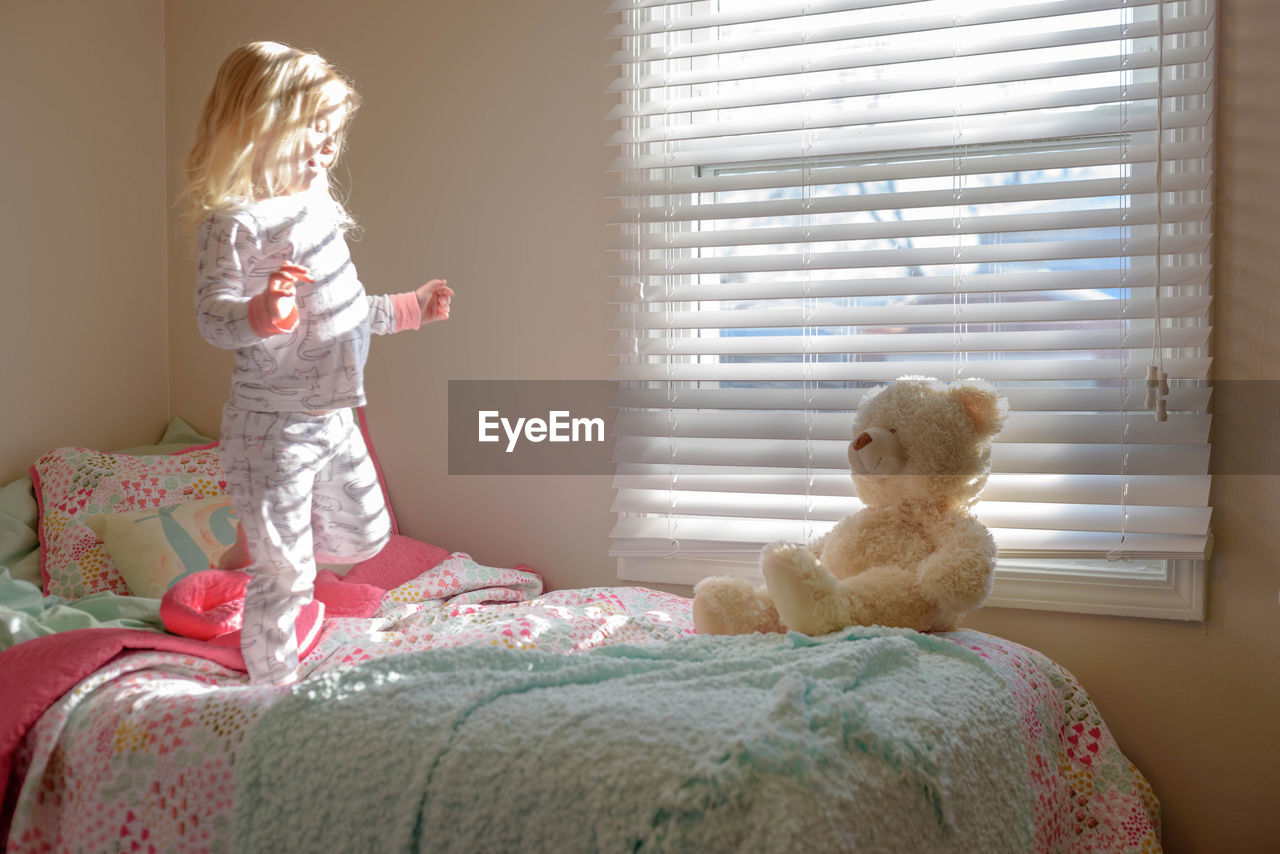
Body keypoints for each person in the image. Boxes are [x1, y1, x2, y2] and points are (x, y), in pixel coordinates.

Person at [180, 41, 452, 684]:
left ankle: (250, 549)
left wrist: (411, 308)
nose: (327, 150)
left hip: (334, 417)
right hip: (272, 428)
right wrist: (260, 314)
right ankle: (272, 691)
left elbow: (346, 310)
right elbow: (211, 315)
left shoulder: (317, 212)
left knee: (365, 537)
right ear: (257, 130)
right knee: (290, 571)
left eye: (333, 139)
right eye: (312, 134)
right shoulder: (235, 222)